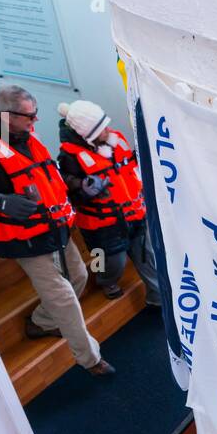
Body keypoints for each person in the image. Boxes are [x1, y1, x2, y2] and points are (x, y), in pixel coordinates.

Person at [0, 85, 115, 377]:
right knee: (64, 299)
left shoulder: (25, 136)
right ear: (6, 117)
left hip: (55, 227)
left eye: (36, 115)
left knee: (81, 276)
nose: (35, 122)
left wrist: (77, 185)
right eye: (30, 117)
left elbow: (47, 173)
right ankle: (90, 359)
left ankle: (41, 323)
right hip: (25, 239)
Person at [55, 99, 162, 307]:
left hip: (135, 215)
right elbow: (67, 191)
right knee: (107, 261)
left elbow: (131, 167)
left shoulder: (117, 140)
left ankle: (157, 299)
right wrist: (83, 187)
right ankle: (106, 281)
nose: (107, 130)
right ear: (87, 134)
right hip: (102, 226)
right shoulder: (69, 157)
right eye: (101, 128)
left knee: (147, 257)